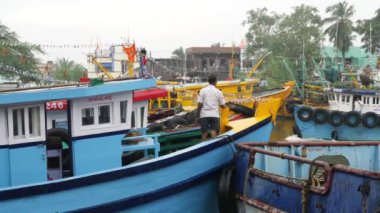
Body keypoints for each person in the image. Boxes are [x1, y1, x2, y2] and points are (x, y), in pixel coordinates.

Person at [196, 74, 227, 140]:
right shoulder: (218, 92)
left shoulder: (202, 90)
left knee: (204, 133)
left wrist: (197, 116)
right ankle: (214, 146)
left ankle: (203, 148)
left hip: (204, 115)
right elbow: (222, 105)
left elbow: (200, 104)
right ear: (216, 82)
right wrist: (228, 107)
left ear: (208, 81)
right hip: (214, 115)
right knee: (214, 132)